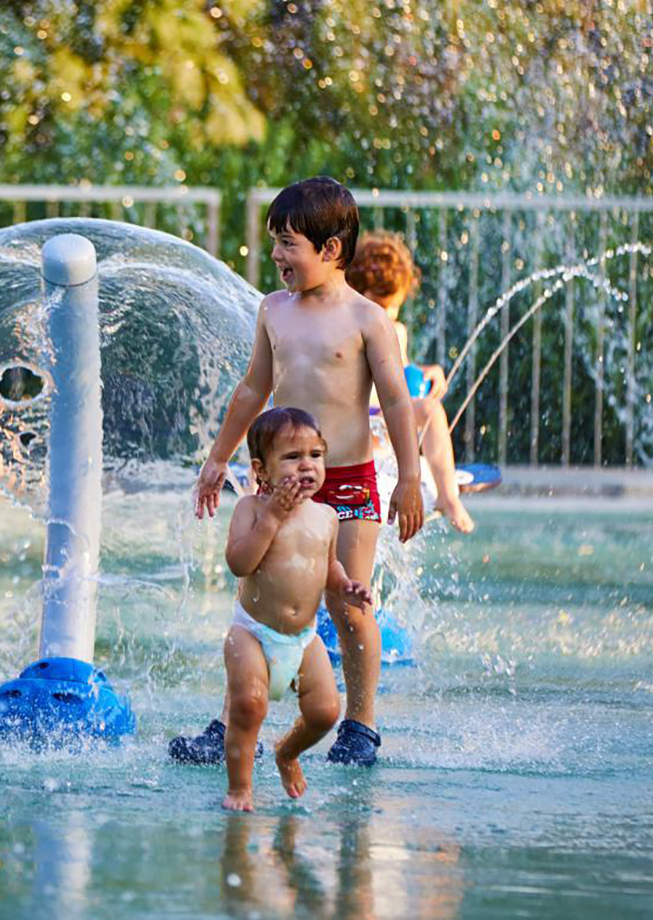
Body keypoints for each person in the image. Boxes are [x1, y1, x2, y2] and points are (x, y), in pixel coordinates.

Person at [171, 177, 424, 767]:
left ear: (331, 250)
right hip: (282, 484)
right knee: (259, 601)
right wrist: (217, 457)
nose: (278, 257)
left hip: (349, 481)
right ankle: (240, 719)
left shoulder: (365, 319)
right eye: (276, 244)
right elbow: (254, 388)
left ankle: (360, 725)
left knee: (349, 603)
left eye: (289, 245)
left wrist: (409, 477)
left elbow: (394, 399)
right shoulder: (273, 310)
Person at [221, 408, 372, 811]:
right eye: (292, 457)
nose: (307, 465)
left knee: (326, 711)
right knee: (248, 705)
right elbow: (239, 563)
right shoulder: (252, 511)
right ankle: (240, 787)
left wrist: (346, 586)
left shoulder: (326, 517)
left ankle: (287, 752)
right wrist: (272, 517)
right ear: (261, 469)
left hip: (303, 640)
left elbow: (328, 567)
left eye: (315, 455)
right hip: (253, 632)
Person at [345, 231, 475, 533]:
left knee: (430, 410)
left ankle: (447, 496)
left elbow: (400, 374)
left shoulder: (396, 331)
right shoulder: (348, 331)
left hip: (389, 425)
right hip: (356, 427)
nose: (388, 314)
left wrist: (428, 371)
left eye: (394, 307)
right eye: (380, 305)